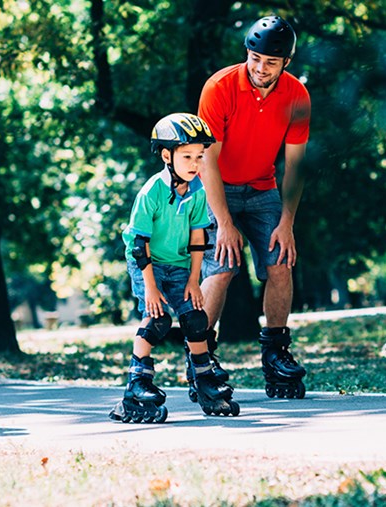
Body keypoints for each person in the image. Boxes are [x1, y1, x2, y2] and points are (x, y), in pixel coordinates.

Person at [196, 15, 311, 399]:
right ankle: (200, 358)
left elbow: (295, 164)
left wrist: (287, 222)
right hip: (216, 188)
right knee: (224, 264)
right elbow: (207, 160)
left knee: (281, 259)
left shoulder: (297, 96)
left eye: (271, 62)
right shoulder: (219, 87)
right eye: (255, 57)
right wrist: (224, 223)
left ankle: (276, 353)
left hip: (262, 187)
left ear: (286, 63)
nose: (261, 67)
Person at [109, 113, 241, 424]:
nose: (195, 163)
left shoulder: (197, 190)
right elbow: (139, 244)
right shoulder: (152, 191)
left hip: (180, 264)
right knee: (158, 320)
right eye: (187, 156)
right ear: (167, 156)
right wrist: (152, 288)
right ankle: (136, 385)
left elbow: (199, 237)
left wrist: (195, 280)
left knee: (196, 319)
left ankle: (205, 379)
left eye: (199, 156)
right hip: (147, 265)